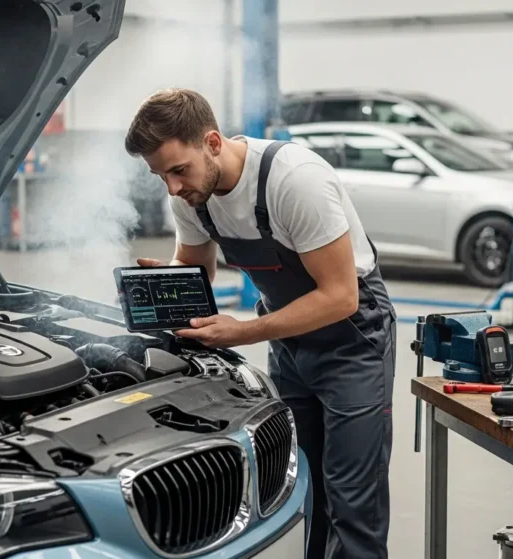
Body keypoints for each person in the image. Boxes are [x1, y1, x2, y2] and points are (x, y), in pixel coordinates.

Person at [124, 88, 396, 559]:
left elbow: (339, 296)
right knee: (303, 488)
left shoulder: (293, 182)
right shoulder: (192, 195)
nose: (171, 188)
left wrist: (242, 331)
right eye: (159, 175)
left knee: (353, 501)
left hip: (353, 342)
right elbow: (196, 267)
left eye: (177, 170)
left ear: (211, 142)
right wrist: (166, 284)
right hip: (290, 343)